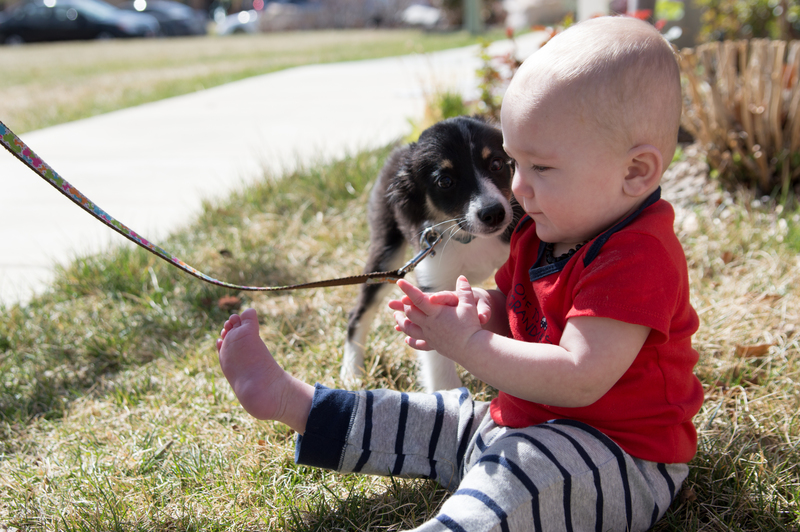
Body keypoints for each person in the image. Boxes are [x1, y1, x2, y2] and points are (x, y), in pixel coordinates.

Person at [215, 15, 704, 532]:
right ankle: (299, 403)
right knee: (437, 417)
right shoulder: (542, 233)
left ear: (634, 172)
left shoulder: (636, 256)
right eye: (514, 164)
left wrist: (467, 345)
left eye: (541, 168)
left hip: (614, 456)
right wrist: (480, 313)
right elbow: (522, 314)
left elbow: (579, 377)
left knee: (518, 481)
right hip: (522, 421)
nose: (517, 187)